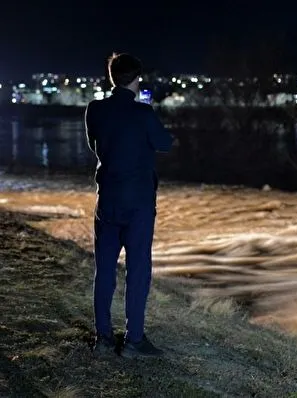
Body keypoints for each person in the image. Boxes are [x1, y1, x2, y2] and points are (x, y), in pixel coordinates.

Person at [85, 53, 173, 358]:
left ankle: (103, 339)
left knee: (104, 271)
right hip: (137, 205)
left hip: (107, 201)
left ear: (112, 78)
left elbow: (94, 145)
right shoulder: (143, 114)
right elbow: (165, 143)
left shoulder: (95, 110)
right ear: (136, 79)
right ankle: (134, 340)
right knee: (138, 271)